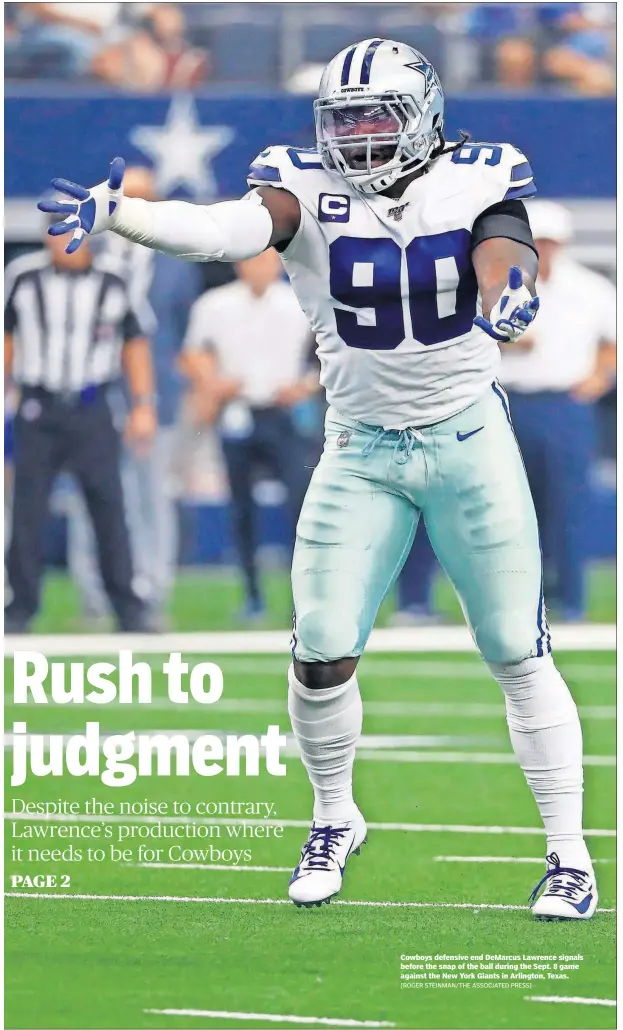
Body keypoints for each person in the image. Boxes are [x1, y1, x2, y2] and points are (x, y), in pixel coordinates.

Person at [39, 37, 597, 920]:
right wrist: (124, 213)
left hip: (465, 438)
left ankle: (567, 856)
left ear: (423, 116)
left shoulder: (481, 171)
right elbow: (226, 229)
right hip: (360, 447)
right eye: (344, 119)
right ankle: (334, 817)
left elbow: (501, 244)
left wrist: (510, 293)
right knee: (319, 647)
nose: (360, 135)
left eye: (377, 117)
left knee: (513, 650)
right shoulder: (298, 181)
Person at [65, 166, 204, 629]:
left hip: (157, 397)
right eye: (125, 197)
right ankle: (94, 594)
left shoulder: (176, 262)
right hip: (94, 394)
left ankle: (151, 592)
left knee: (152, 497)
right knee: (95, 494)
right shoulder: (87, 250)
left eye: (143, 198)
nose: (132, 206)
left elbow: (181, 335)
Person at [4, 224, 155, 633]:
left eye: (70, 232)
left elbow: (134, 342)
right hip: (38, 404)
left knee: (109, 507)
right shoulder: (22, 276)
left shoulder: (113, 280)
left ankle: (128, 607)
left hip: (92, 407)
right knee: (28, 509)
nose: (63, 242)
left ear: (88, 236)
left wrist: (143, 405)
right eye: (54, 233)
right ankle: (19, 607)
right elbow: (8, 339)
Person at [180, 249, 317, 619]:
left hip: (284, 411)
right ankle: (252, 594)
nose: (260, 268)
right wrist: (213, 383)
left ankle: (301, 597)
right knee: (241, 508)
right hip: (237, 408)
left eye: (267, 260)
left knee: (300, 507)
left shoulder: (299, 302)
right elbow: (193, 353)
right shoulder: (215, 305)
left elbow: (326, 355)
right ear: (240, 263)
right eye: (254, 260)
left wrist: (304, 387)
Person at [500, 199, 616, 622]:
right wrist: (505, 341)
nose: (543, 249)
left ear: (561, 243)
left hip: (565, 403)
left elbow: (610, 342)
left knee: (568, 504)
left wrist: (599, 379)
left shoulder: (591, 288)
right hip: (509, 400)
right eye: (536, 241)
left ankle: (571, 599)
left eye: (549, 242)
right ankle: (515, 602)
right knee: (509, 506)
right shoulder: (499, 286)